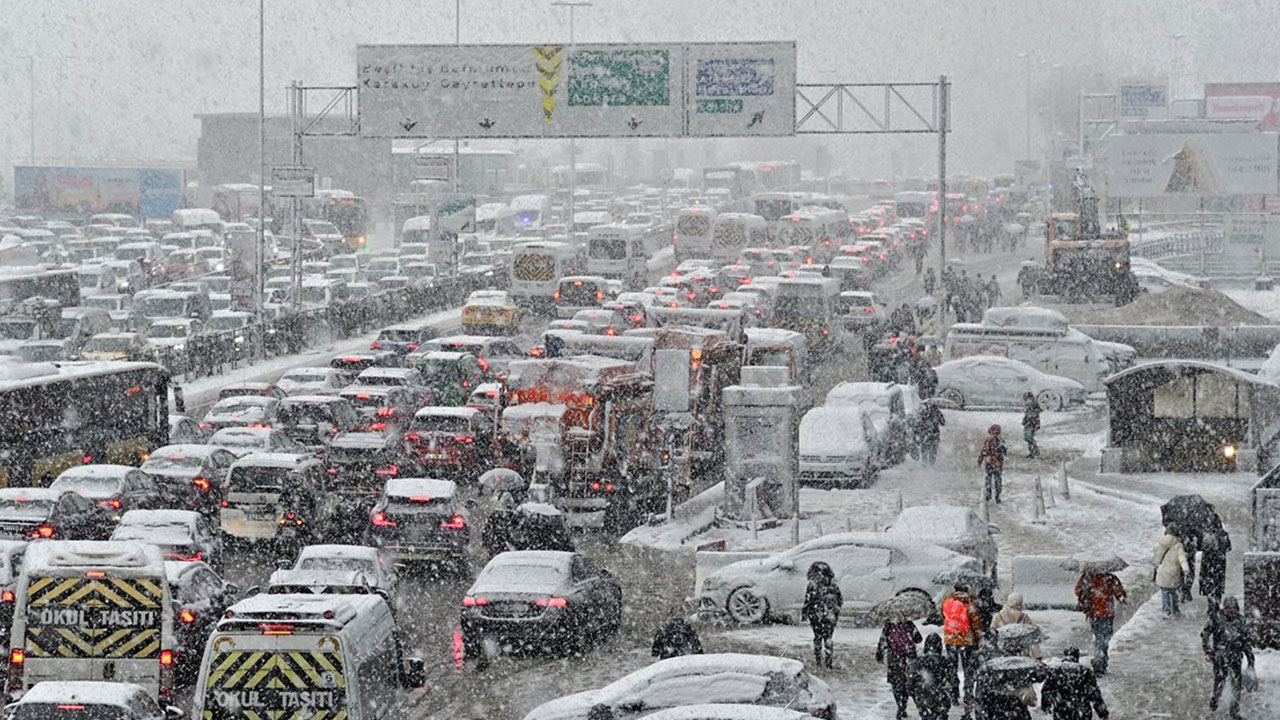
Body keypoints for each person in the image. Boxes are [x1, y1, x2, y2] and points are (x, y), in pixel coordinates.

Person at [1202, 596, 1254, 719]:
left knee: (1236, 684)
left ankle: (1234, 712)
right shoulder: (1216, 618)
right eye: (1228, 607)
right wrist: (1208, 651)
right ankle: (1215, 699)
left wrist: (1250, 659)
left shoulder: (1241, 620)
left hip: (1236, 657)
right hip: (1220, 657)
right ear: (1224, 608)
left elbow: (1246, 641)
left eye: (1233, 608)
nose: (1230, 610)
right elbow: (1205, 634)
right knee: (1220, 681)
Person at [1073, 570, 1127, 674]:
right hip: (1107, 613)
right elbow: (1120, 594)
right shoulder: (1110, 578)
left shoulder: (1087, 577)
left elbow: (1077, 590)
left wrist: (1090, 591)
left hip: (1092, 612)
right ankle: (1100, 661)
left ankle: (1099, 660)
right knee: (1104, 638)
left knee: (1098, 637)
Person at [1040, 647, 1109, 720]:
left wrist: (1046, 706)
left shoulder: (1056, 671)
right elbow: (1095, 693)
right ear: (1077, 656)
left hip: (1061, 711)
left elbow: (1046, 690)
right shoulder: (1085, 671)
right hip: (1082, 711)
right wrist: (1102, 713)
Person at [942, 584, 980, 705]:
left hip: (950, 639)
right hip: (966, 641)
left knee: (952, 668)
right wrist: (977, 638)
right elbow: (975, 623)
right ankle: (968, 695)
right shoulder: (970, 604)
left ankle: (953, 694)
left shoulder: (948, 602)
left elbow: (945, 617)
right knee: (968, 669)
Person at [877, 619, 923, 720]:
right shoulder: (909, 624)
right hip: (909, 657)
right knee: (909, 683)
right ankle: (913, 707)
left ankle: (900, 706)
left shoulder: (888, 625)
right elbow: (919, 639)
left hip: (894, 659)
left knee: (896, 684)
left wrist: (879, 654)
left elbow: (882, 641)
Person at [801, 561, 842, 669]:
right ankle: (828, 662)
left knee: (817, 637)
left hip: (815, 615)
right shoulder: (833, 586)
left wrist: (805, 613)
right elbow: (840, 600)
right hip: (830, 615)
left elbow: (808, 600)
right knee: (828, 637)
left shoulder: (812, 586)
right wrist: (834, 610)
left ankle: (818, 661)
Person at [910, 633, 956, 720]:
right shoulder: (945, 662)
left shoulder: (918, 662)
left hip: (923, 698)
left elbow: (911, 682)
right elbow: (953, 680)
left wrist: (915, 695)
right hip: (941, 698)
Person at [1153, 526, 1191, 618]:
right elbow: (1182, 558)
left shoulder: (1159, 543)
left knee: (1165, 592)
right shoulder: (1178, 545)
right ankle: (1175, 610)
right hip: (1174, 572)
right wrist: (1186, 569)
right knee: (1174, 592)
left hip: (1163, 572)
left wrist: (1157, 565)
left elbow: (1156, 557)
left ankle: (1166, 611)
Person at [1199, 521, 1232, 606]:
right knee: (1218, 584)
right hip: (1220, 562)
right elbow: (1229, 548)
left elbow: (1200, 547)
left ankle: (1211, 605)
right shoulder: (1223, 534)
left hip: (1207, 562)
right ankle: (1217, 603)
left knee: (1209, 584)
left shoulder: (1205, 535)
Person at [977, 424, 1007, 504]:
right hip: (998, 463)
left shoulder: (988, 439)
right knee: (997, 479)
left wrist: (980, 459)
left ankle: (988, 495)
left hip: (989, 462)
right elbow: (1005, 452)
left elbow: (984, 451)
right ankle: (997, 496)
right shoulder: (1001, 440)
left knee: (988, 479)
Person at [916, 401, 946, 465]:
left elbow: (919, 423)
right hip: (934, 433)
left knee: (924, 448)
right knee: (933, 449)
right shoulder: (938, 413)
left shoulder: (924, 412)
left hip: (925, 433)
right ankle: (931, 463)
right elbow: (943, 423)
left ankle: (924, 462)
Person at [1020, 393, 1041, 459]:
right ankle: (1033, 451)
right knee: (1027, 438)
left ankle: (1034, 451)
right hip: (1028, 424)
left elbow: (1034, 416)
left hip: (1031, 424)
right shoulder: (1029, 406)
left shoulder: (1034, 406)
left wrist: (1034, 423)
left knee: (1029, 437)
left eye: (1027, 399)